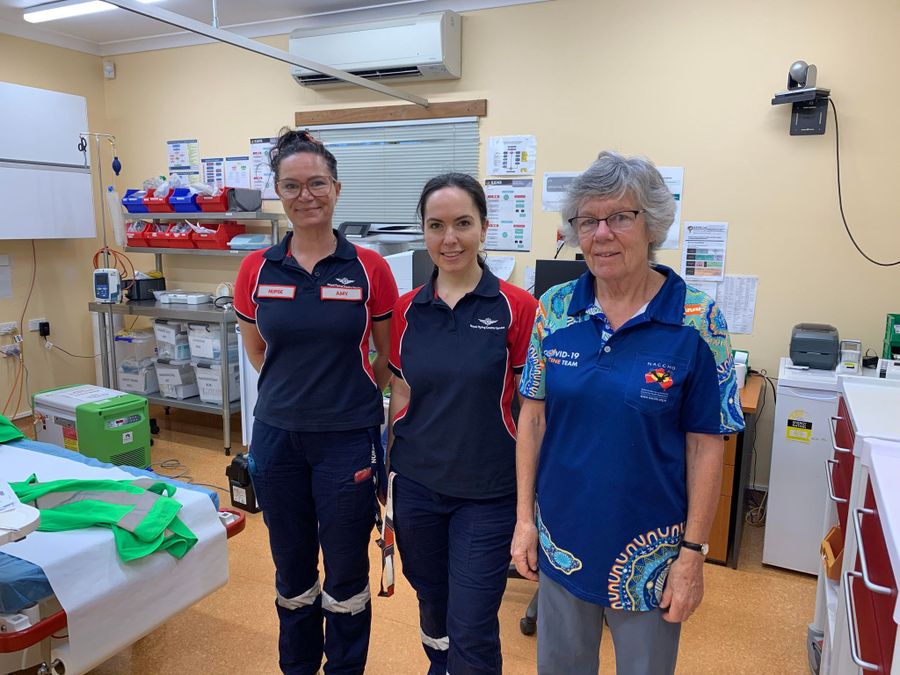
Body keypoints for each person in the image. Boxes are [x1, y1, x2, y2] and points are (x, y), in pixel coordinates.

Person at [510, 151, 745, 675]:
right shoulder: (555, 308)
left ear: (653, 224)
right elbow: (533, 419)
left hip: (652, 557)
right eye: (587, 220)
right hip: (562, 539)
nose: (602, 234)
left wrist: (693, 555)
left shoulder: (697, 322)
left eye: (620, 216)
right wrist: (525, 521)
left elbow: (707, 444)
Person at [234, 128, 398, 675]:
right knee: (291, 567)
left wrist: (343, 392)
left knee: (347, 570)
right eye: (293, 185)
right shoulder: (256, 269)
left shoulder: (369, 269)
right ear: (279, 192)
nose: (307, 195)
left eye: (317, 183)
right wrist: (298, 390)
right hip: (277, 438)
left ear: (337, 188)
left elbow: (385, 357)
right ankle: (298, 667)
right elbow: (258, 350)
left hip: (347, 439)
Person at [385, 173, 538, 675]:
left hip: (487, 492)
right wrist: (389, 476)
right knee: (431, 603)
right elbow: (401, 393)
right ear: (423, 232)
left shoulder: (518, 309)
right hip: (418, 487)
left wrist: (527, 506)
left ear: (484, 228)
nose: (449, 238)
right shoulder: (407, 311)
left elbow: (533, 411)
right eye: (436, 225)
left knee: (472, 622)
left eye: (462, 223)